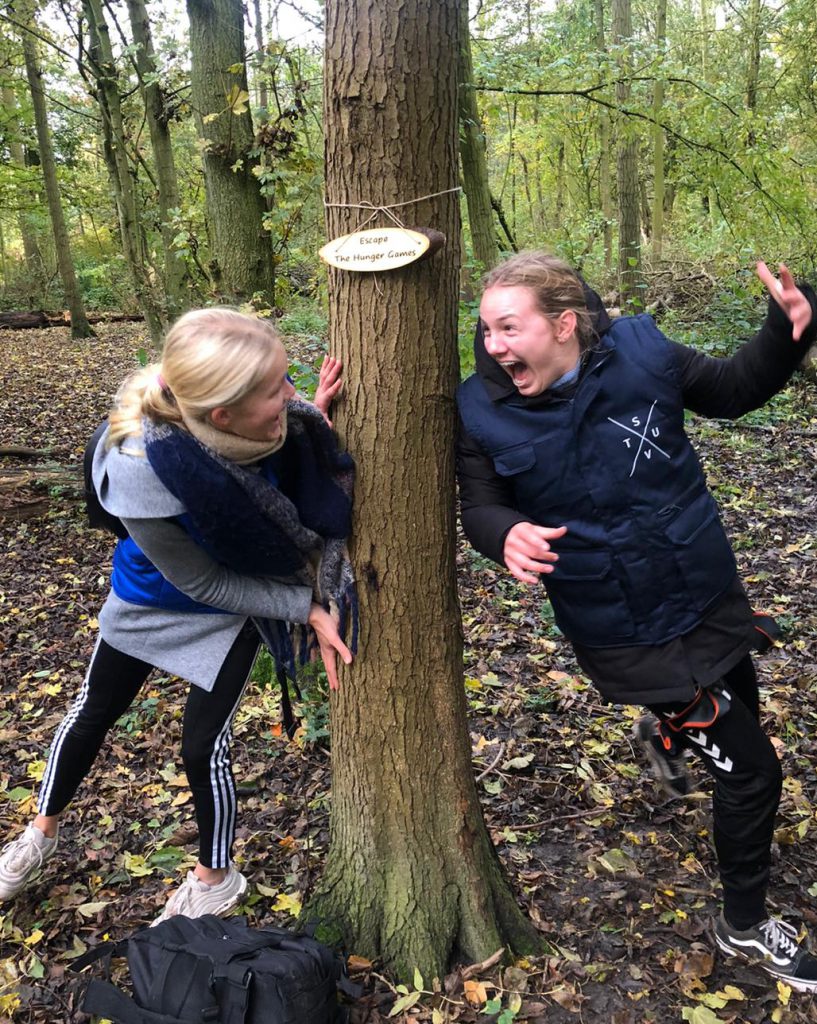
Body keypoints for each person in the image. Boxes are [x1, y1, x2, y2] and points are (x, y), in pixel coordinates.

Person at [456, 252, 817, 991]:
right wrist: (504, 535)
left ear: (563, 325)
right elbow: (480, 502)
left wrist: (784, 332)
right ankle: (742, 924)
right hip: (621, 627)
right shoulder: (478, 407)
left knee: (738, 718)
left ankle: (668, 732)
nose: (493, 345)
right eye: (486, 328)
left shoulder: (643, 353)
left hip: (703, 590)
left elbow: (733, 389)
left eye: (508, 327)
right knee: (753, 774)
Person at [0, 308, 354, 923]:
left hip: (235, 606)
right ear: (221, 415)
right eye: (276, 390)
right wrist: (306, 608)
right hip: (155, 600)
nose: (290, 395)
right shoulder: (141, 465)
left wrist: (312, 421)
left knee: (202, 748)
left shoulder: (251, 419)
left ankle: (214, 877)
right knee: (92, 713)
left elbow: (283, 460)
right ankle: (40, 834)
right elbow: (196, 578)